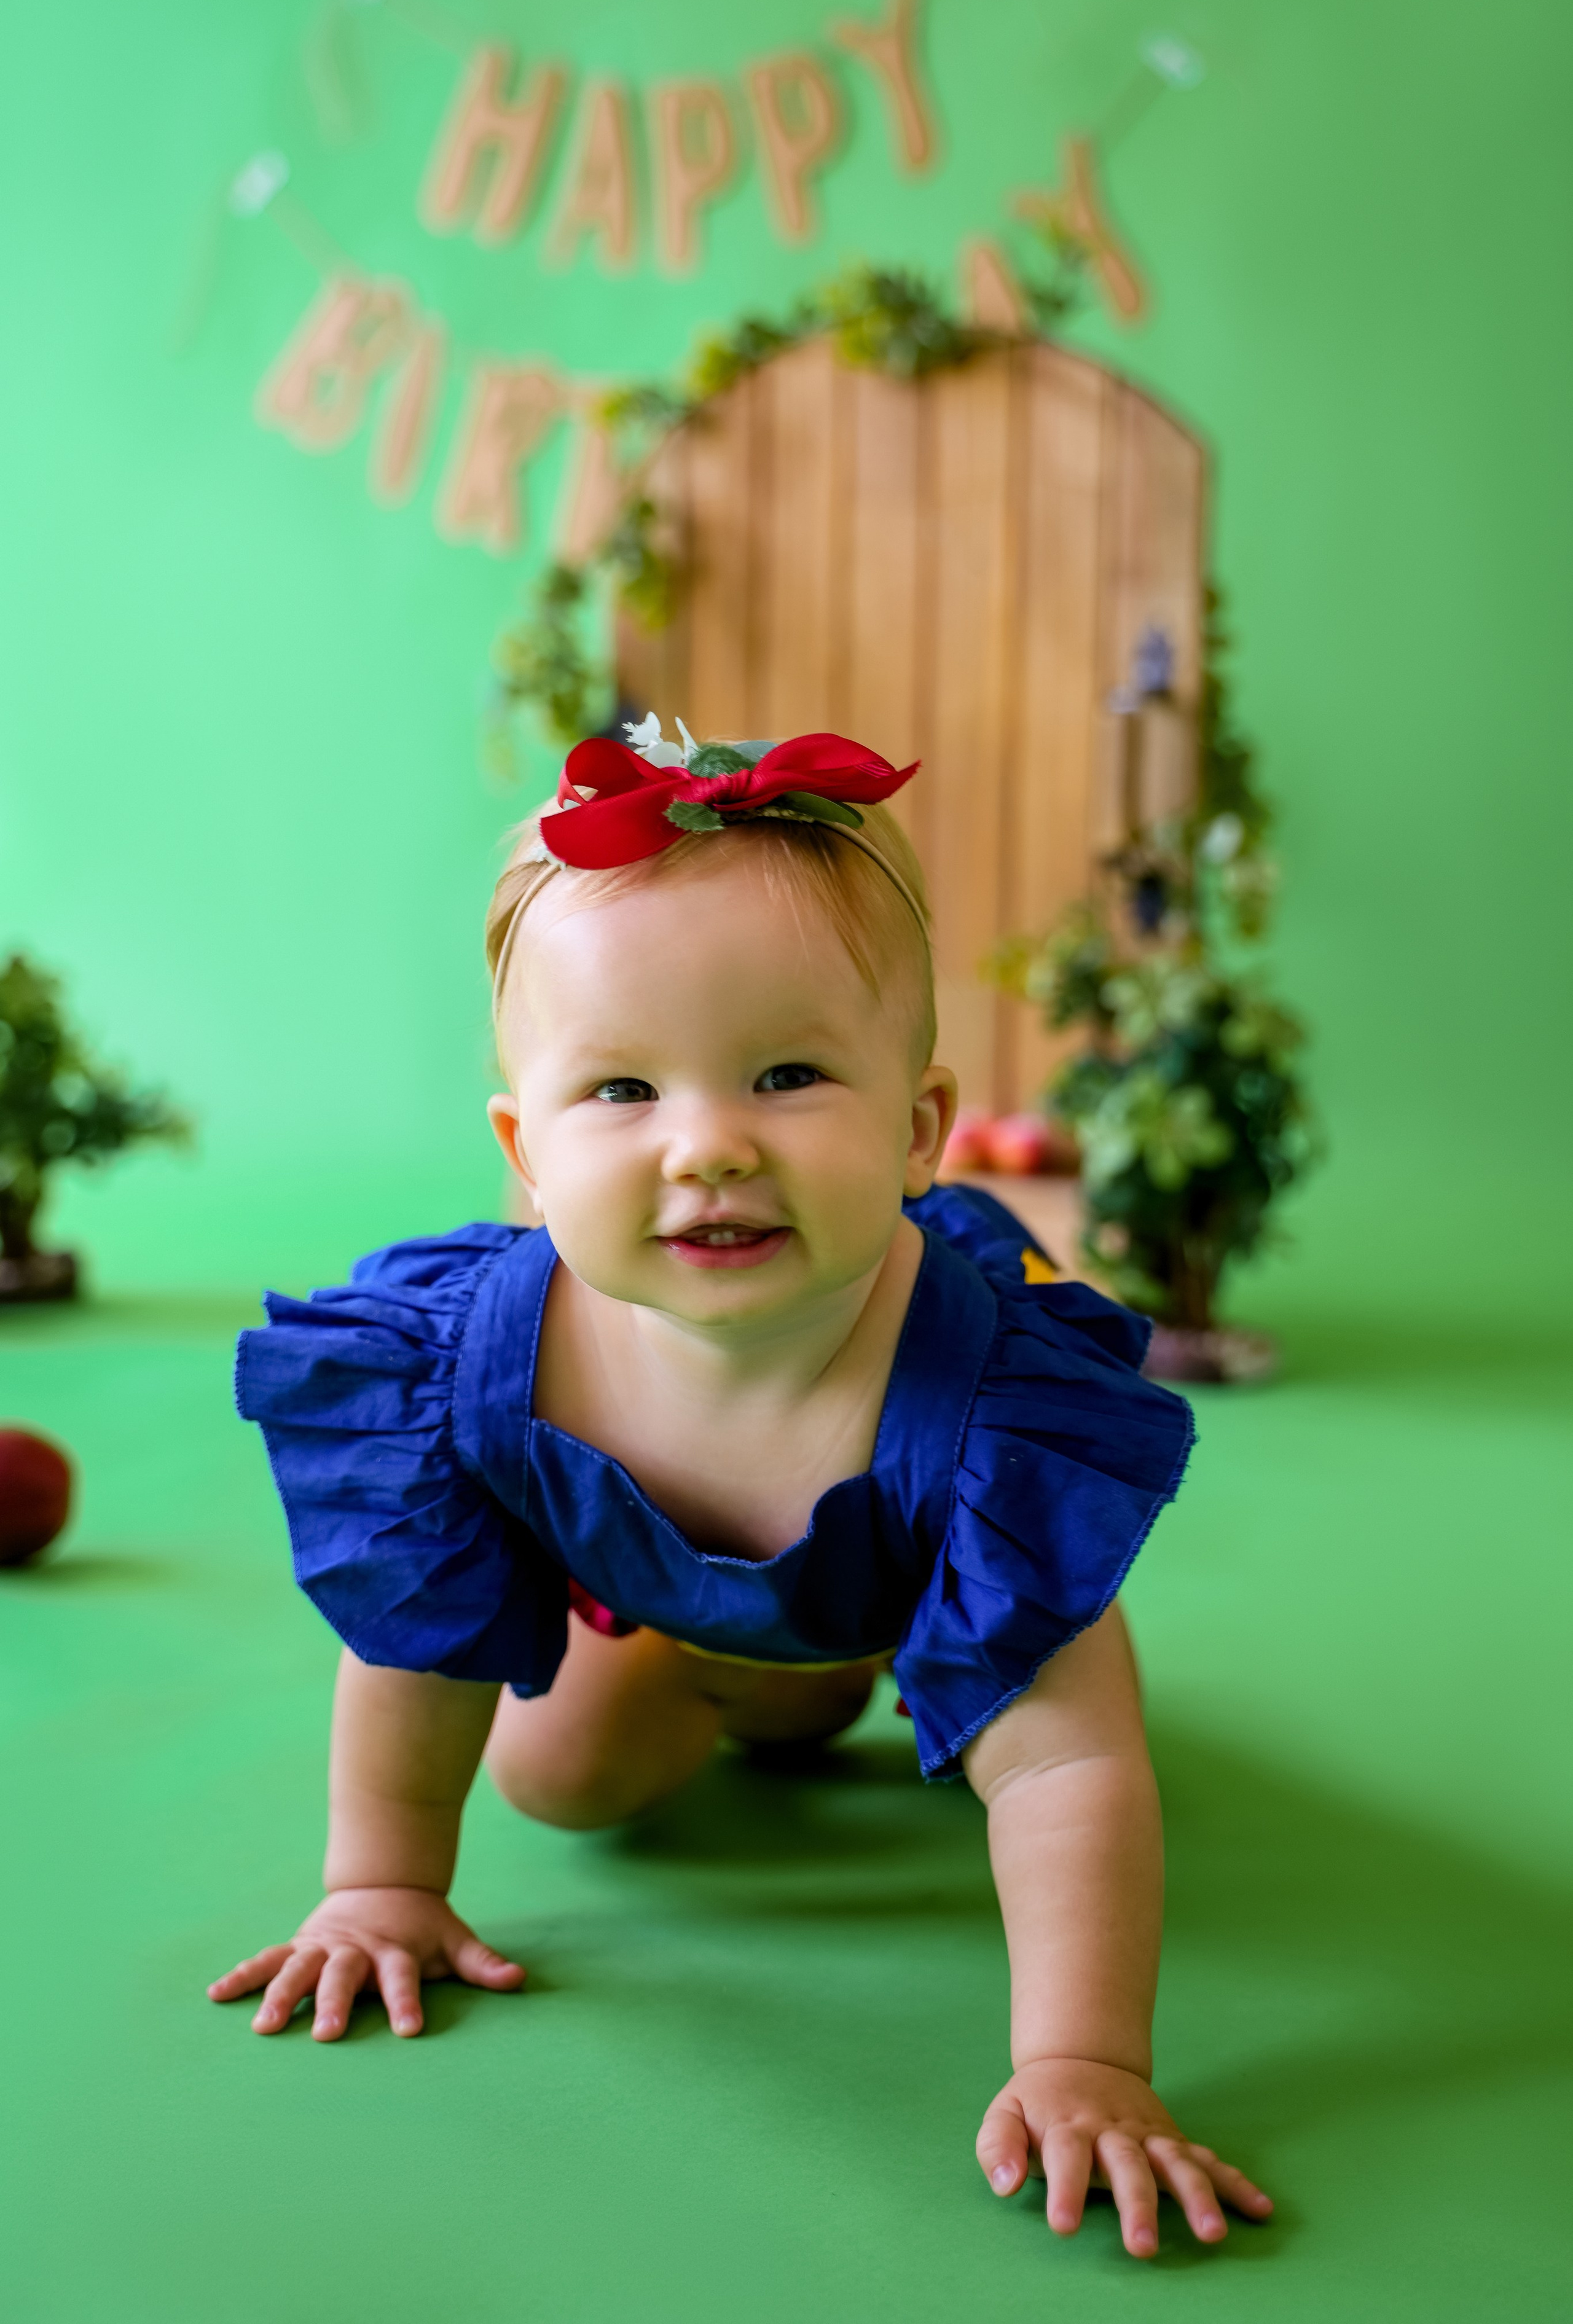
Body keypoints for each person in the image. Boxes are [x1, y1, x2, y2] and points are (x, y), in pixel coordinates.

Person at [213, 718, 1273, 2259]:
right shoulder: (474, 1363)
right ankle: (762, 1683)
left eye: (786, 1075)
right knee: (559, 1774)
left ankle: (879, 1662)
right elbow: (411, 1637)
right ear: (525, 1152)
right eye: (620, 1090)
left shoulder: (985, 1406)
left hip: (911, 1551)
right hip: (669, 1605)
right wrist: (379, 1885)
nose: (706, 1148)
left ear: (917, 1129)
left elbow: (1069, 1772)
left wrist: (1083, 2063)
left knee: (1031, 1700)